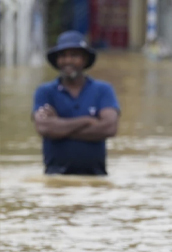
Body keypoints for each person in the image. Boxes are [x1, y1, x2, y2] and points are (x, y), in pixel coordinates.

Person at [32, 30, 120, 175]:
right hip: (55, 178)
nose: (68, 61)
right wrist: (87, 121)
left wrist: (58, 127)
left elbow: (109, 128)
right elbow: (44, 128)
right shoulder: (45, 91)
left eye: (74, 55)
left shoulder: (103, 90)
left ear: (85, 59)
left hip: (96, 178)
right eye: (63, 56)